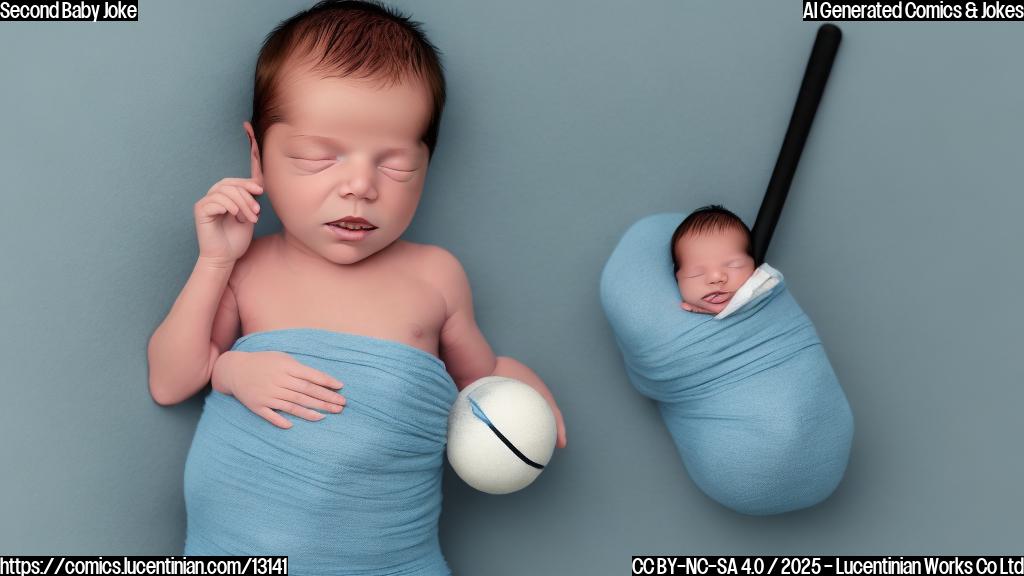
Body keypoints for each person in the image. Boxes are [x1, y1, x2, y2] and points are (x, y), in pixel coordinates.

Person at [147, 1, 565, 570]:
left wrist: (519, 393)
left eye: (395, 166)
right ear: (258, 154)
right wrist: (220, 304)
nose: (360, 187)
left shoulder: (435, 276)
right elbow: (172, 380)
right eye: (319, 157)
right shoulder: (250, 270)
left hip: (390, 556)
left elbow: (477, 377)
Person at [669, 204, 756, 316]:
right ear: (677, 280)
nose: (715, 278)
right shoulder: (673, 318)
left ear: (755, 266)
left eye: (734, 265)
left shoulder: (769, 286)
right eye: (696, 274)